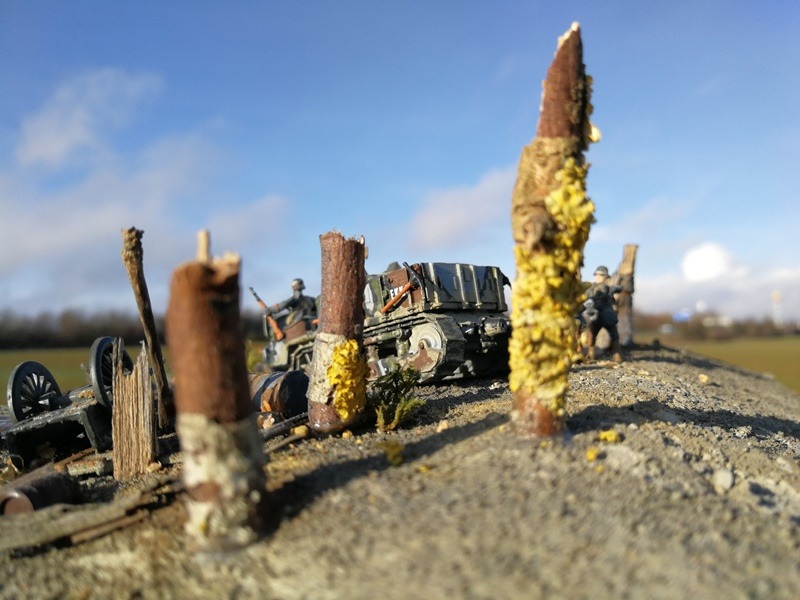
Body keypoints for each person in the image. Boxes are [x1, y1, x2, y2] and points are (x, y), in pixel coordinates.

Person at [581, 266, 623, 363]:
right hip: (596, 317)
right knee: (591, 336)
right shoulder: (592, 288)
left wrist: (614, 288)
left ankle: (617, 355)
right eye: (597, 275)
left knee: (614, 336)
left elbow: (619, 288)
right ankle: (591, 355)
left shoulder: (608, 288)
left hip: (607, 317)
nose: (598, 277)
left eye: (600, 275)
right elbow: (586, 297)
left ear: (604, 277)